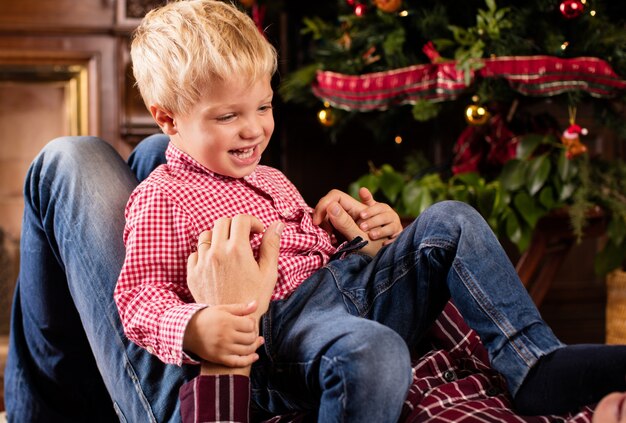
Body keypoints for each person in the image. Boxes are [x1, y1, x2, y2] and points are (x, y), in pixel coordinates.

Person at [113, 0, 626, 421]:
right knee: (375, 353)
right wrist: (198, 326)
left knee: (451, 218)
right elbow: (138, 297)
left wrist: (365, 237)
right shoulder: (163, 198)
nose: (254, 130)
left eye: (264, 107)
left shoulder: (267, 176)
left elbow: (318, 253)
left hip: (350, 287)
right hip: (283, 334)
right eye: (228, 116)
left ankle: (533, 364)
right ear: (168, 120)